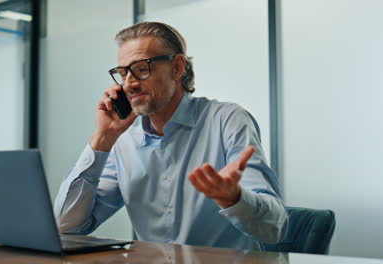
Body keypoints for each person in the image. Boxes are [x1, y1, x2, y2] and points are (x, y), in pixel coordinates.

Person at [54, 22, 288, 250]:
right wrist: (102, 139)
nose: (129, 84)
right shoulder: (123, 140)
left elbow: (276, 228)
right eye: (123, 73)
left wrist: (234, 199)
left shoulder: (227, 120)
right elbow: (66, 226)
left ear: (177, 68)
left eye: (141, 69)